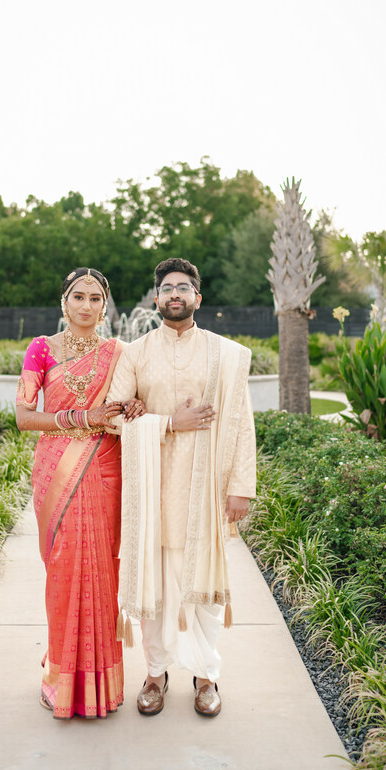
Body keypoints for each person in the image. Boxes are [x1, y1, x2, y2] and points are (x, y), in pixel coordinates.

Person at [106, 257, 256, 717]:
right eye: (168, 288)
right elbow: (112, 416)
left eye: (184, 287)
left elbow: (241, 421)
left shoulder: (225, 354)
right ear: (156, 299)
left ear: (197, 297)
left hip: (205, 489)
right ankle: (155, 673)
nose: (175, 294)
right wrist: (171, 422)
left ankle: (207, 676)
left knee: (202, 589)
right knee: (153, 587)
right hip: (152, 492)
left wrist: (241, 487)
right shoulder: (134, 353)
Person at [15, 267, 144, 719]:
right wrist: (83, 418)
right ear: (64, 302)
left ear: (105, 306)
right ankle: (60, 674)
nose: (86, 306)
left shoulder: (121, 353)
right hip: (56, 471)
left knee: (102, 570)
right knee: (64, 570)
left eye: (95, 298)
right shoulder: (41, 349)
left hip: (104, 470)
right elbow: (25, 417)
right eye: (78, 297)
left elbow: (137, 403)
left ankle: (101, 681)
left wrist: (134, 406)